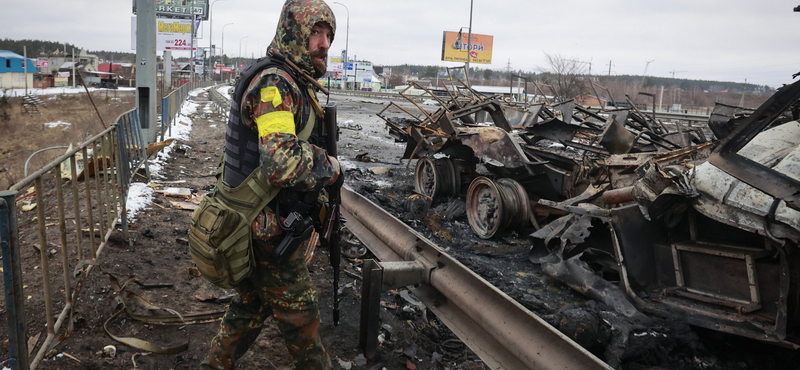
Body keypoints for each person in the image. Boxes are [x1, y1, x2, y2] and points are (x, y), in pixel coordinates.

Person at [201, 1, 338, 369]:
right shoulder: (275, 84)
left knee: (250, 306)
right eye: (315, 33)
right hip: (263, 226)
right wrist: (330, 165)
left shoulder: (290, 80)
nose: (323, 43)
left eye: (328, 35)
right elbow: (280, 162)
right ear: (294, 33)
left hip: (259, 220)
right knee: (302, 321)